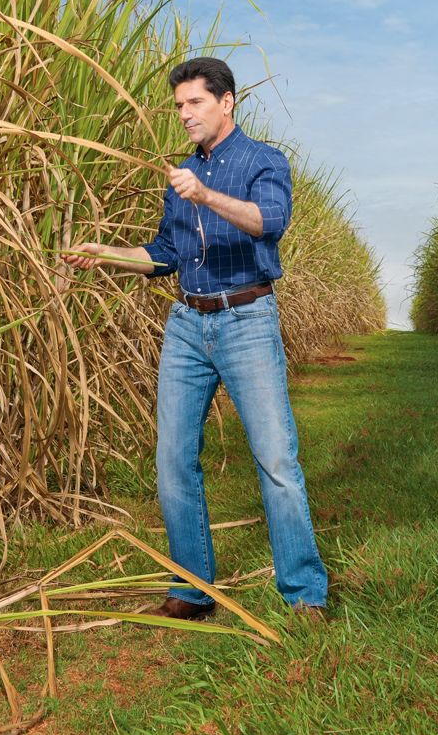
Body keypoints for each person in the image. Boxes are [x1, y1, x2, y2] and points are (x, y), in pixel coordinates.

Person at [65, 57, 327, 619]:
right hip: (186, 324)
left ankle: (304, 594)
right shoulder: (182, 173)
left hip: (247, 320)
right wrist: (104, 255)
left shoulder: (264, 162)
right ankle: (191, 591)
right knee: (173, 460)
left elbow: (269, 222)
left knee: (276, 458)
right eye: (179, 105)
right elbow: (163, 254)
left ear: (226, 101)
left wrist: (206, 196)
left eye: (195, 103)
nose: (184, 114)